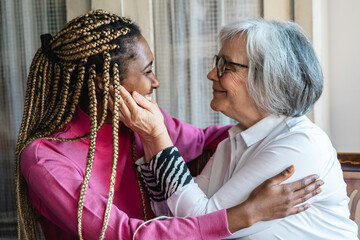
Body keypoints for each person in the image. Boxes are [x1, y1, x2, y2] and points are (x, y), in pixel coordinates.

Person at [15, 11, 322, 240]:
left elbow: (205, 139)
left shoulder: (137, 122)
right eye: (147, 72)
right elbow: (123, 234)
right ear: (104, 83)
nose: (156, 82)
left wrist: (271, 128)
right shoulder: (45, 158)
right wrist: (245, 214)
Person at [116, 19, 359, 239]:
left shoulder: (300, 144)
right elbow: (178, 221)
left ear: (266, 80)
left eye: (225, 66)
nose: (212, 74)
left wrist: (158, 136)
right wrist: (150, 139)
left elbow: (202, 223)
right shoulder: (232, 143)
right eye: (216, 63)